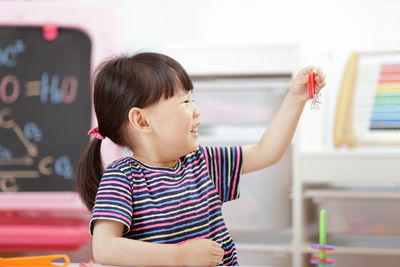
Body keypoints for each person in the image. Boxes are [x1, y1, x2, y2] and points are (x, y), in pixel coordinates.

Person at [76, 52, 326, 266]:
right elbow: (105, 248)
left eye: (192, 99)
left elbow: (265, 152)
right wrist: (179, 256)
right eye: (184, 101)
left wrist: (295, 99)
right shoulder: (122, 178)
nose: (197, 110)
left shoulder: (202, 162)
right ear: (142, 121)